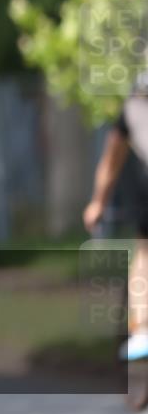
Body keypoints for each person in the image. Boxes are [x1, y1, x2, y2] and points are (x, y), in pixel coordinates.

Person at [83, 76, 148, 360]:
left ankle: (143, 329)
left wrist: (98, 203)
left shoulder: (134, 106)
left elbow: (111, 161)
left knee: (145, 254)